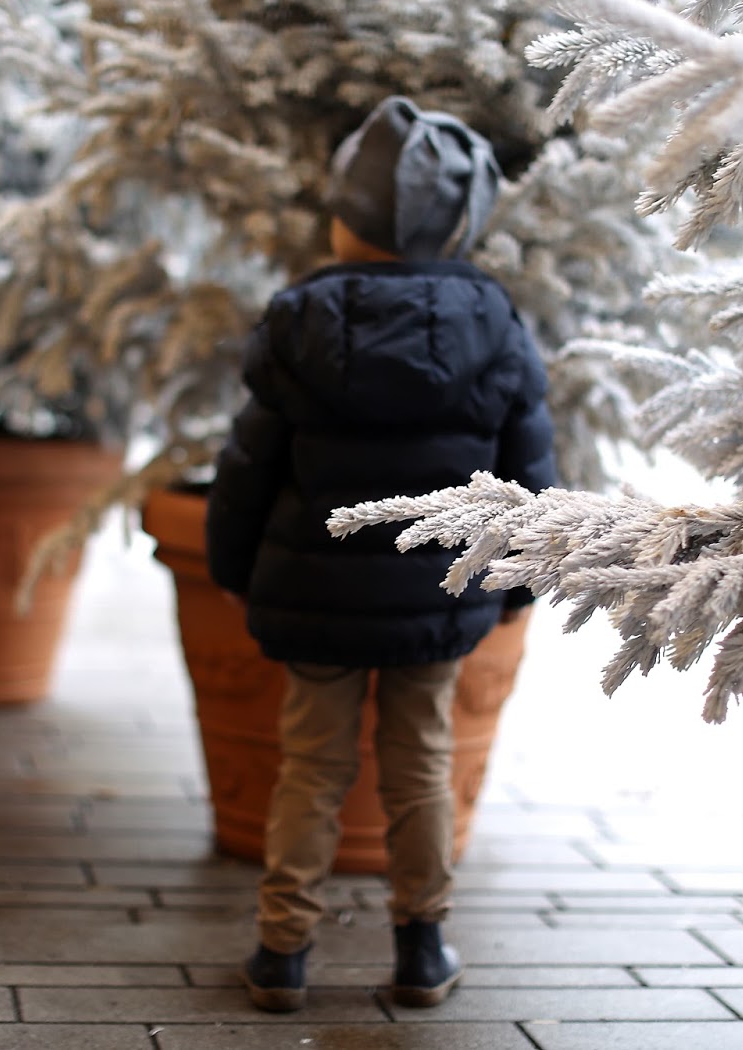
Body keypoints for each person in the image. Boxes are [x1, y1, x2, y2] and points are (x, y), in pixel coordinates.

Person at [206, 95, 559, 1012]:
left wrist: (237, 566)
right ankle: (422, 947)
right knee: (423, 764)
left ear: (345, 218)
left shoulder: (299, 319)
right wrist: (513, 583)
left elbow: (247, 465)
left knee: (310, 768)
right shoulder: (496, 323)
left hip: (315, 591)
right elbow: (527, 472)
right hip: (437, 596)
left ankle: (283, 951)